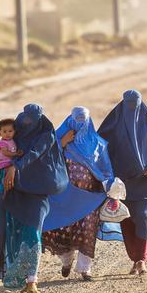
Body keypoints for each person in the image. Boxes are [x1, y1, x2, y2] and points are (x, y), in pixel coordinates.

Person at [0, 104, 68, 293]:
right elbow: (3, 152)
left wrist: (15, 167)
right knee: (15, 235)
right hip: (14, 192)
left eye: (31, 120)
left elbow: (34, 153)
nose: (28, 124)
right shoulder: (16, 134)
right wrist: (6, 172)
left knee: (32, 234)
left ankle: (32, 279)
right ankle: (22, 278)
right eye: (24, 120)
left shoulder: (46, 136)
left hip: (37, 193)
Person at [42, 107, 116, 281]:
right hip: (64, 197)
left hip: (90, 198)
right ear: (70, 120)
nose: (79, 125)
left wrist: (111, 187)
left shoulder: (98, 144)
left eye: (83, 122)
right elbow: (45, 159)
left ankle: (85, 269)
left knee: (87, 230)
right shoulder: (57, 140)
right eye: (77, 121)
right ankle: (66, 260)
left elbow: (106, 169)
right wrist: (61, 143)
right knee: (61, 229)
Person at [98, 90, 147, 275]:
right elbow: (100, 146)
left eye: (135, 104)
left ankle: (141, 259)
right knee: (125, 219)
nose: (132, 108)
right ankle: (134, 258)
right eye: (129, 104)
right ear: (123, 103)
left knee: (141, 215)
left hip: (144, 179)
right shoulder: (113, 123)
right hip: (120, 181)